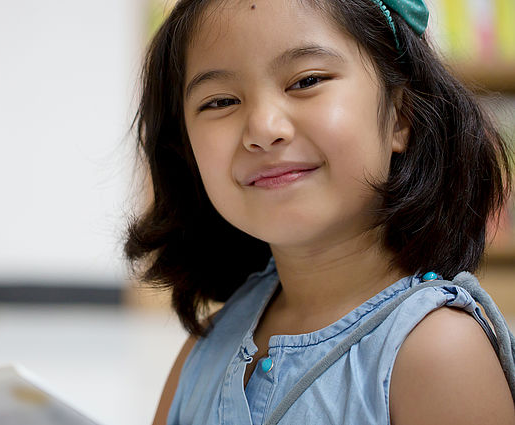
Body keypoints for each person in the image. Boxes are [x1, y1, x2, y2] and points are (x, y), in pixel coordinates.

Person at [124, 0, 515, 423]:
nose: (263, 129)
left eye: (307, 80)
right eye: (220, 102)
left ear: (401, 116)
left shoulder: (437, 350)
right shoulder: (207, 345)